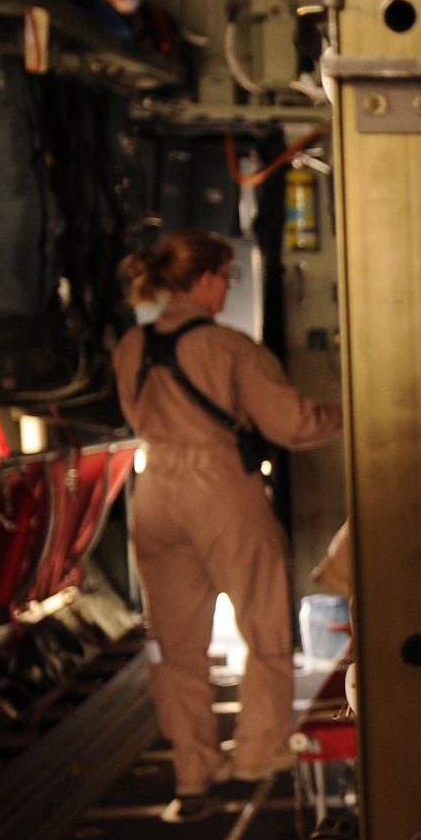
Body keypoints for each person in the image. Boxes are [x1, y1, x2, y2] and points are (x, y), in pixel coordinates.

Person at [114, 230, 343, 799]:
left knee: (172, 638)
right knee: (262, 620)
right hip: (219, 486)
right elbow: (290, 425)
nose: (227, 288)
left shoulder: (130, 348)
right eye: (226, 276)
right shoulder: (229, 348)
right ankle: (257, 750)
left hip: (155, 488)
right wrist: (349, 412)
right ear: (204, 279)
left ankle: (192, 765)